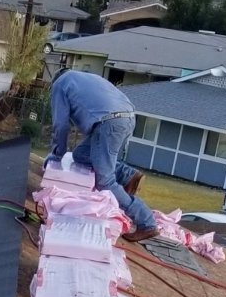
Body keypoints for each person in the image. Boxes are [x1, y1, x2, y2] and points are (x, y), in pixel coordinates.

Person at [45, 67, 159, 243]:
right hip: (127, 117)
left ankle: (146, 221)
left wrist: (56, 156)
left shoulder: (60, 85)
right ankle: (128, 175)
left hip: (108, 123)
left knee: (104, 181)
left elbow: (61, 125)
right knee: (81, 154)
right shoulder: (84, 77)